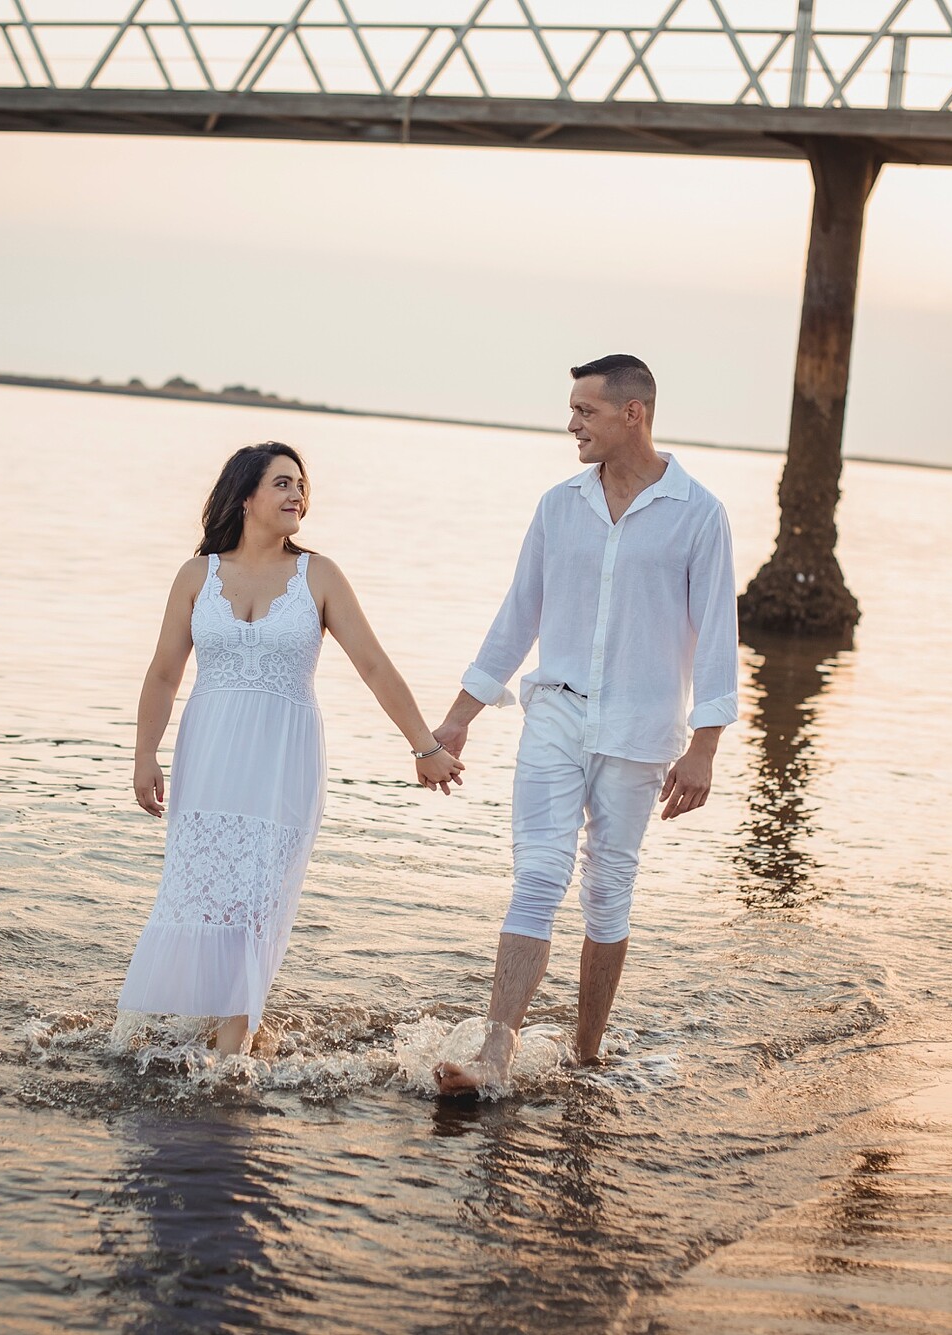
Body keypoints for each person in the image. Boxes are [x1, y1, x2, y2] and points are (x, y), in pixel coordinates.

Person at [433, 355, 738, 1095]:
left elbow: (719, 633)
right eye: (572, 410)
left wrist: (704, 747)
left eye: (585, 411)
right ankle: (494, 1051)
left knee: (609, 890)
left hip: (641, 729)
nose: (571, 423)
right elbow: (518, 617)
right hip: (557, 713)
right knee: (538, 873)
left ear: (632, 413)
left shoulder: (699, 512)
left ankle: (587, 1051)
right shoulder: (558, 505)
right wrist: (459, 717)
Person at [119, 442, 465, 1056]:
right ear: (245, 495)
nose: (296, 495)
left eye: (301, 485)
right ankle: (203, 1022)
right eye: (282, 484)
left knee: (259, 895)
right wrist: (145, 755)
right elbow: (164, 673)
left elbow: (374, 666)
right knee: (197, 888)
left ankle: (233, 1044)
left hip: (283, 758)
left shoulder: (319, 576)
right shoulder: (197, 576)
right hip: (209, 756)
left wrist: (425, 746)